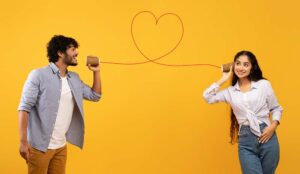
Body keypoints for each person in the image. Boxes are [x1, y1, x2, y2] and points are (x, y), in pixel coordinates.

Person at [18, 35, 102, 174]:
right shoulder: (38, 75)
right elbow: (24, 108)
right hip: (40, 147)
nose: (77, 53)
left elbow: (95, 96)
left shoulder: (74, 78)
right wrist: (23, 142)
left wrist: (97, 72)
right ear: (60, 53)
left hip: (61, 146)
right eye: (73, 49)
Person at [203, 50, 283, 174]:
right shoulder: (229, 92)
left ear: (252, 68)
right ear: (233, 66)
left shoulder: (264, 85)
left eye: (246, 64)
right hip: (246, 141)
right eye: (238, 63)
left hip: (267, 136)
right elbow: (206, 97)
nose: (241, 67)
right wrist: (223, 79)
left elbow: (276, 108)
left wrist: (273, 126)